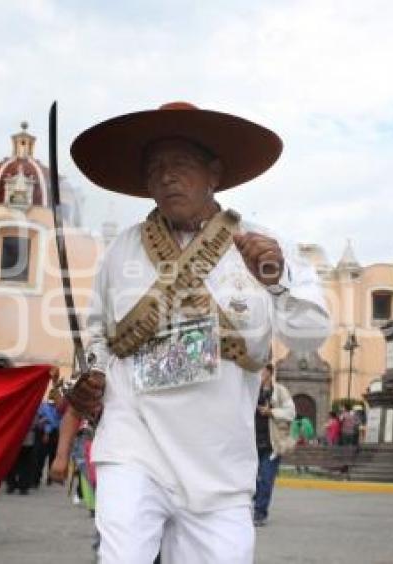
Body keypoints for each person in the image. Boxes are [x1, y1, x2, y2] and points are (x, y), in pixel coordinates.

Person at [66, 102, 330, 563]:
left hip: (219, 461)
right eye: (156, 169)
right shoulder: (121, 251)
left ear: (214, 173)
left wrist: (277, 278)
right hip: (134, 441)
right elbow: (98, 335)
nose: (167, 177)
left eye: (180, 165)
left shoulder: (263, 244)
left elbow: (311, 333)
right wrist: (91, 379)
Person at [253, 363, 295, 527]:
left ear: (269, 373)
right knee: (249, 480)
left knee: (266, 479)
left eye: (261, 371)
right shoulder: (250, 390)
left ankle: (260, 513)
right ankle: (257, 499)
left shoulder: (280, 391)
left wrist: (271, 412)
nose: (258, 374)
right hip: (251, 444)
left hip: (272, 444)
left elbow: (291, 413)